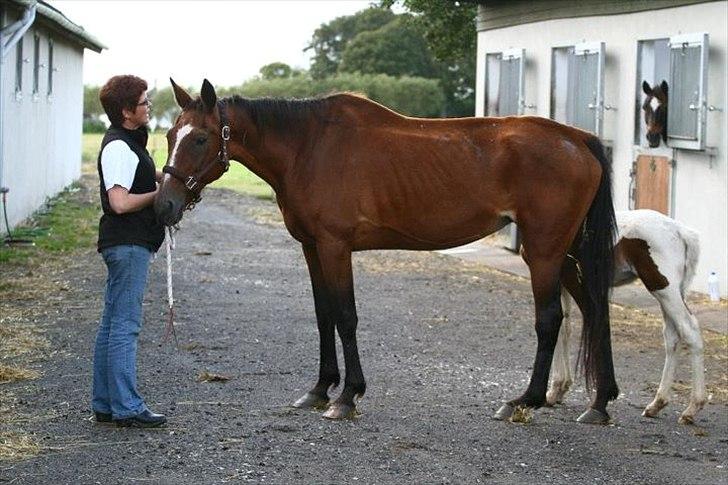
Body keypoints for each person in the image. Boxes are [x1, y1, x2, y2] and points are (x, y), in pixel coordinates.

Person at [93, 75, 166, 427]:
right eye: (144, 102)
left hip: (124, 244)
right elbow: (119, 203)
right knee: (125, 326)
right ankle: (127, 407)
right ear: (126, 111)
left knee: (111, 325)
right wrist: (159, 194)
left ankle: (105, 404)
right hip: (128, 244)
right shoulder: (119, 146)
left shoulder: (128, 144)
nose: (149, 106)